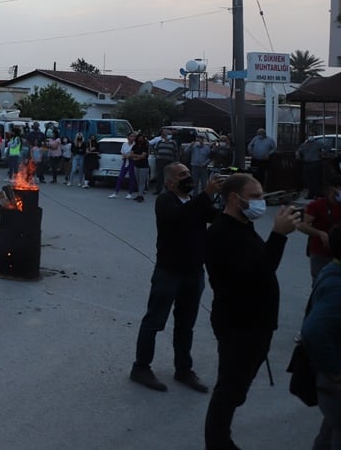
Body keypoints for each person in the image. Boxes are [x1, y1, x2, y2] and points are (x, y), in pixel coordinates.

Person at [203, 173, 298, 450]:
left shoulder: (242, 225)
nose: (260, 202)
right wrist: (278, 236)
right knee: (228, 392)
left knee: (235, 389)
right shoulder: (221, 233)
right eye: (255, 196)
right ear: (235, 198)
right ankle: (218, 443)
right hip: (239, 326)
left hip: (256, 325)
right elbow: (254, 275)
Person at [130, 162, 221, 393]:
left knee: (185, 325)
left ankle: (183, 369)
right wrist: (206, 195)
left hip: (194, 273)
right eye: (182, 175)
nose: (188, 178)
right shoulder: (165, 201)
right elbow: (180, 218)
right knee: (154, 321)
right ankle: (141, 367)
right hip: (168, 273)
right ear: (170, 182)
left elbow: (218, 219)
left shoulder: (194, 203)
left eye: (189, 174)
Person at [300, 225, 341, 450]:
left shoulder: (332, 272)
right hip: (333, 379)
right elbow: (313, 331)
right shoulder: (337, 286)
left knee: (330, 430)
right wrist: (335, 373)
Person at [298, 176, 341, 284]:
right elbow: (301, 225)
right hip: (320, 252)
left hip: (338, 253)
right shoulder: (318, 205)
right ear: (333, 189)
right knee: (320, 282)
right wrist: (320, 233)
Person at [109, 132, 139, 200]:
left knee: (131, 178)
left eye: (134, 136)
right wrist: (124, 156)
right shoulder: (124, 144)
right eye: (131, 136)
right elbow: (122, 152)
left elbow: (134, 153)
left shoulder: (135, 145)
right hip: (125, 161)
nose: (132, 138)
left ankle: (130, 193)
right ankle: (116, 192)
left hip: (132, 161)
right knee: (121, 177)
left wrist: (129, 156)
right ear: (128, 137)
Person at [150, 129, 179, 195]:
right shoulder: (160, 142)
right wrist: (157, 156)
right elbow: (156, 150)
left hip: (169, 161)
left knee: (168, 176)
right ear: (163, 135)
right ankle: (158, 190)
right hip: (160, 161)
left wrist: (176, 162)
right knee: (159, 176)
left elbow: (176, 152)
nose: (168, 135)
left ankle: (167, 191)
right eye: (167, 134)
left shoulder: (173, 142)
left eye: (169, 134)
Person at [298, 134, 327, 199]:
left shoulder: (318, 143)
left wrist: (322, 154)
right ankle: (312, 194)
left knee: (315, 179)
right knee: (308, 180)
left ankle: (318, 194)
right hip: (307, 164)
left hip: (315, 163)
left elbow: (327, 148)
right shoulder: (304, 145)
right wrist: (299, 156)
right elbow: (298, 151)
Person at [130, 133, 150, 203]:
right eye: (139, 138)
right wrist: (138, 156)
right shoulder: (135, 146)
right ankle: (139, 194)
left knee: (142, 181)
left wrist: (136, 157)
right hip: (137, 165)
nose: (140, 139)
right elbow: (131, 154)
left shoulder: (145, 146)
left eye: (141, 138)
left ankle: (140, 195)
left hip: (144, 166)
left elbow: (143, 156)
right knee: (138, 181)